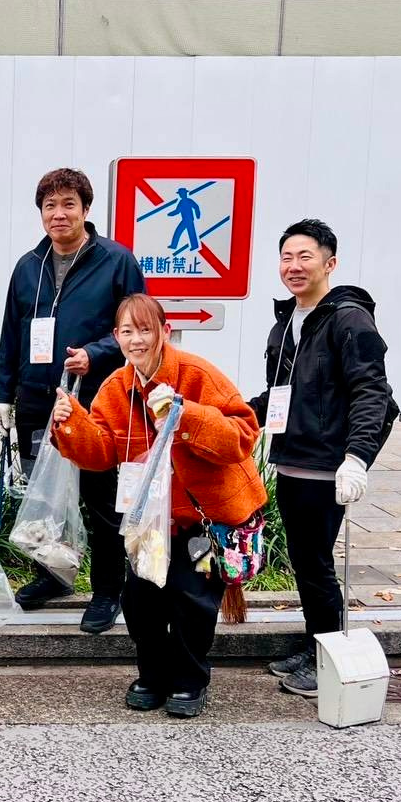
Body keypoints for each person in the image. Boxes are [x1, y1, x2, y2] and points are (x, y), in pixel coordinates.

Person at [52, 293, 266, 718]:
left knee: (193, 601)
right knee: (141, 600)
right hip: (150, 521)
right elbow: (101, 453)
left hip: (203, 520)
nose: (136, 339)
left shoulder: (197, 374)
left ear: (164, 332)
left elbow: (243, 434)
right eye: (127, 331)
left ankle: (189, 681)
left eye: (145, 329)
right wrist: (71, 422)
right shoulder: (115, 387)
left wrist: (185, 415)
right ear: (116, 337)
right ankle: (152, 675)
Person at [0, 167, 146, 633]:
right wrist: (4, 396)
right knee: (45, 496)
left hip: (97, 403)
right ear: (41, 213)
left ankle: (107, 590)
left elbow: (137, 329)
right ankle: (54, 576)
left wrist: (95, 354)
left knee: (100, 501)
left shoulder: (116, 261)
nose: (59, 214)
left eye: (68, 205)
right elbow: (11, 334)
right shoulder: (28, 266)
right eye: (50, 206)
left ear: (86, 209)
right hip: (38, 402)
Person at [249, 219, 397, 699]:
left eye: (305, 257)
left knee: (315, 562)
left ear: (329, 263)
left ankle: (329, 655)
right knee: (305, 560)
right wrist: (230, 414)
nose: (294, 266)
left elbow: (372, 391)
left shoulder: (348, 320)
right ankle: (318, 641)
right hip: (291, 460)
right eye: (286, 257)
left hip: (325, 465)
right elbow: (279, 395)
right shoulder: (286, 321)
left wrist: (357, 458)